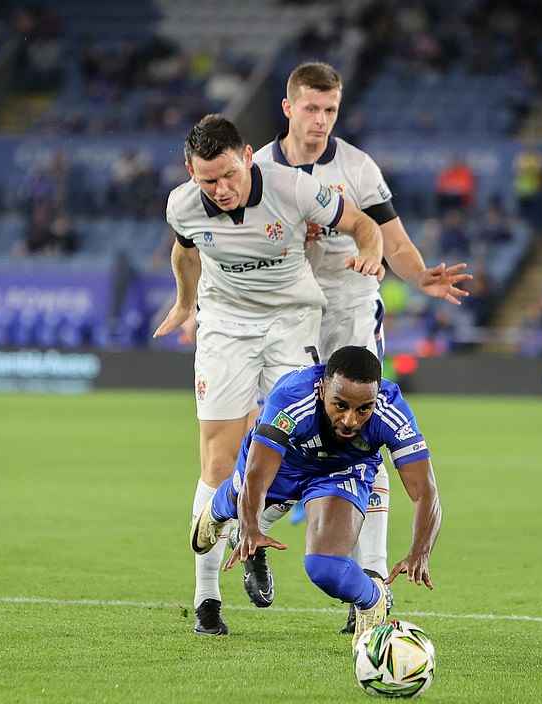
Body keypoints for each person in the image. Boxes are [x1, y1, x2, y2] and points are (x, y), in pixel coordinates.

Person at [250, 61, 469, 632]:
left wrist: (419, 276)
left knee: (364, 442)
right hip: (287, 312)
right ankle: (254, 537)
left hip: (348, 310)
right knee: (273, 431)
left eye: (330, 110)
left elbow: (391, 238)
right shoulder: (255, 170)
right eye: (311, 109)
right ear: (288, 108)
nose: (320, 121)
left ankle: (368, 583)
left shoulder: (356, 167)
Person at [153, 113, 385, 635]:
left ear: (248, 155)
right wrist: (185, 303)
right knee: (218, 458)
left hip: (291, 324)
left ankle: (249, 534)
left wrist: (371, 251)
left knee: (290, 450)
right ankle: (206, 599)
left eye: (230, 174)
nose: (222, 188)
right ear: (190, 172)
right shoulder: (181, 204)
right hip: (225, 327)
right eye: (207, 179)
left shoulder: (295, 187)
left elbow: (361, 223)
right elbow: (184, 249)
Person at [190, 346, 442, 648]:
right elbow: (257, 478)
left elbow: (426, 492)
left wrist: (420, 551)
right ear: (322, 389)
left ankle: (373, 598)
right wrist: (252, 529)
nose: (350, 420)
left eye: (363, 409)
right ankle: (217, 510)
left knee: (326, 567)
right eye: (340, 405)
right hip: (284, 462)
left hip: (341, 471)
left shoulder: (392, 410)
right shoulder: (292, 397)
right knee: (237, 494)